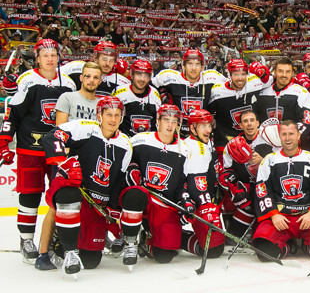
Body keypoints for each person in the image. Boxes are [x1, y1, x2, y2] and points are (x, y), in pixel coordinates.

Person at [0, 38, 76, 262]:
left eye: (53, 55)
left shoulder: (68, 83)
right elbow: (12, 113)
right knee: (30, 195)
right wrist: (4, 142)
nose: (50, 59)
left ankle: (55, 239)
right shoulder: (28, 80)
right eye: (45, 55)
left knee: (59, 197)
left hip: (57, 151)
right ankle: (26, 240)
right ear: (37, 58)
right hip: (30, 149)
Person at [40, 96, 132, 275]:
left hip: (95, 202)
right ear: (99, 115)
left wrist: (113, 207)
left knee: (91, 261)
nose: (113, 119)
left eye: (117, 115)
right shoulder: (83, 128)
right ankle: (45, 252)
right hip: (73, 189)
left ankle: (84, 240)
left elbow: (117, 181)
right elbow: (52, 137)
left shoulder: (125, 145)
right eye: (108, 114)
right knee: (65, 199)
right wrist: (65, 163)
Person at [251, 120, 310, 261]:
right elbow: (262, 190)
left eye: (291, 133)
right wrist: (274, 215)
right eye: (284, 134)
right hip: (281, 217)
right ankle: (288, 246)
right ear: (279, 137)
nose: (287, 138)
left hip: (308, 216)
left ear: (298, 136)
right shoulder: (268, 161)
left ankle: (306, 245)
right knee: (264, 253)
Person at [118, 104, 194, 265]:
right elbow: (124, 164)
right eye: (166, 120)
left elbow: (183, 183)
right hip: (143, 199)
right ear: (157, 121)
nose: (170, 125)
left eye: (174, 121)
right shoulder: (140, 140)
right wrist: (132, 169)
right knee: (134, 195)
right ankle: (130, 242)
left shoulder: (185, 150)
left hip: (164, 204)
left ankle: (147, 239)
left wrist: (185, 201)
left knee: (164, 256)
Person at [219, 110, 280, 238]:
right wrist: (230, 182)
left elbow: (282, 165)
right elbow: (227, 170)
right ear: (240, 125)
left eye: (252, 120)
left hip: (269, 186)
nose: (249, 124)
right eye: (245, 121)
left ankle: (264, 235)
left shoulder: (270, 139)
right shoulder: (232, 145)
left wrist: (263, 161)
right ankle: (234, 235)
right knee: (243, 199)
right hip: (247, 186)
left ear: (258, 123)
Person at [180, 109, 225, 259]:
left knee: (215, 249)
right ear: (193, 128)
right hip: (188, 200)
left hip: (202, 197)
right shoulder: (190, 147)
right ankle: (174, 237)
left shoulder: (207, 142)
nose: (208, 129)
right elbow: (192, 183)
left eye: (209, 125)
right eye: (202, 125)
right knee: (213, 251)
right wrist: (204, 204)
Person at [151, 49, 225, 136]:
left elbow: (230, 87)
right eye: (190, 64)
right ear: (184, 66)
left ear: (202, 67)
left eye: (197, 64)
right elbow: (150, 86)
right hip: (177, 133)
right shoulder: (170, 77)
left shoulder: (212, 77)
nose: (193, 68)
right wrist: (162, 96)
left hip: (201, 133)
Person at [208, 59, 265, 158]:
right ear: (229, 75)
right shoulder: (218, 91)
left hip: (252, 141)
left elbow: (272, 80)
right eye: (236, 75)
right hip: (225, 142)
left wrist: (264, 73)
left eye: (243, 74)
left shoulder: (255, 83)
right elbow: (209, 112)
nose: (240, 78)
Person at [254, 57, 310, 147]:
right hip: (266, 144)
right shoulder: (262, 93)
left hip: (292, 145)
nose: (284, 75)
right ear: (274, 72)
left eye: (288, 72)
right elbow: (257, 120)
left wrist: (290, 138)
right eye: (280, 71)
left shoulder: (301, 93)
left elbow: (308, 120)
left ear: (292, 73)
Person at [112, 60, 162, 137]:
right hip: (125, 140)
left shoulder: (155, 94)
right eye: (138, 74)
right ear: (131, 75)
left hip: (148, 142)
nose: (142, 79)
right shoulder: (119, 92)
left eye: (146, 75)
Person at [60, 41, 130, 96]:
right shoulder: (76, 67)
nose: (107, 64)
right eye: (104, 59)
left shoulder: (120, 81)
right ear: (95, 58)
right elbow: (55, 73)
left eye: (111, 60)